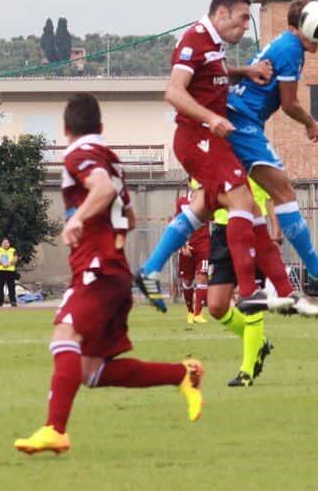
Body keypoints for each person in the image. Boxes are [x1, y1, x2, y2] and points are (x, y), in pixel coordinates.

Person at [14, 93, 204, 455]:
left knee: (64, 335)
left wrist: (79, 221)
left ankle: (55, 429)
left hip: (97, 271)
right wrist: (101, 227)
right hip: (112, 271)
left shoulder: (79, 155)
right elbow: (128, 218)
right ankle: (183, 374)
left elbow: (100, 189)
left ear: (66, 129)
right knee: (91, 371)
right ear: (100, 126)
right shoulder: (112, 160)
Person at [135, 0, 296, 316]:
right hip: (198, 138)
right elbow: (173, 91)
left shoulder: (214, 44)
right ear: (222, 14)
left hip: (211, 139)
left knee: (202, 208)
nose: (244, 27)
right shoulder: (194, 40)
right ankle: (250, 291)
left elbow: (214, 76)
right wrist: (210, 117)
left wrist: (245, 72)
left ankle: (149, 270)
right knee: (243, 203)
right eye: (242, 19)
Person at [226, 0, 318, 290]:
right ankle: (316, 269)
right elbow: (289, 103)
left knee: (217, 205)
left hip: (239, 119)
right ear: (299, 27)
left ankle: (152, 269)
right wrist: (310, 122)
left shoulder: (288, 44)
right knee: (283, 191)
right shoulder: (291, 50)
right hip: (241, 122)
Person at [206, 177, 304, 388]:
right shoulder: (215, 165)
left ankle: (247, 371)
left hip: (252, 232)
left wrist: (276, 236)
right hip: (222, 234)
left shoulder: (253, 164)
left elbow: (271, 200)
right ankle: (259, 342)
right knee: (216, 306)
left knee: (252, 301)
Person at [175, 180, 210, 324]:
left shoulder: (208, 199)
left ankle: (198, 313)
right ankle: (189, 311)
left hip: (203, 244)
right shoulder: (182, 201)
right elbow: (178, 223)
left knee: (202, 276)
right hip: (187, 245)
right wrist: (182, 245)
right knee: (187, 280)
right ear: (189, 183)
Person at [0, 237, 18, 307]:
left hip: (10, 271)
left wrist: (9, 263)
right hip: (0, 270)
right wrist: (2, 263)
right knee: (0, 287)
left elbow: (15, 258)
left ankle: (13, 301)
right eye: (4, 243)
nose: (5, 244)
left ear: (9, 244)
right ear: (1, 244)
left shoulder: (13, 250)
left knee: (11, 286)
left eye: (7, 243)